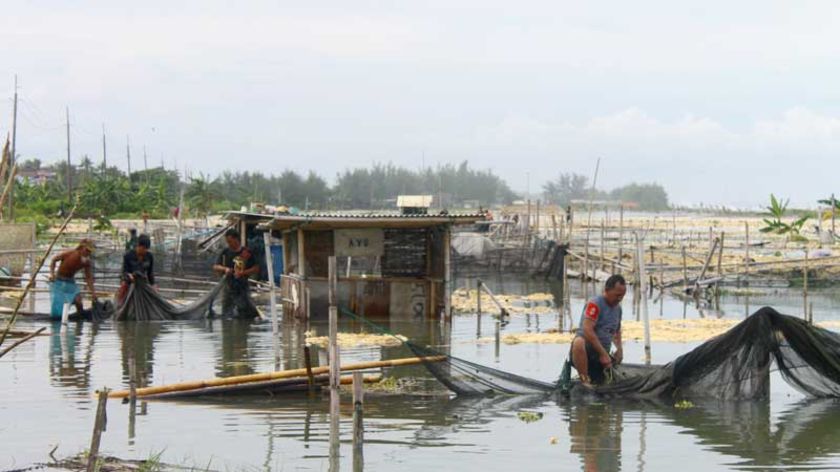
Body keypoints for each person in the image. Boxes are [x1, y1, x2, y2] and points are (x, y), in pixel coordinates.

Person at [571, 275, 627, 386]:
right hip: (587, 352)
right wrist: (602, 354)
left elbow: (617, 331)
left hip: (602, 356)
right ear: (607, 290)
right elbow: (587, 329)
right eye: (617, 295)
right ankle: (584, 381)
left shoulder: (618, 309)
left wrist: (619, 349)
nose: (620, 298)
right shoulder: (595, 304)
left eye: (623, 296)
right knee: (578, 342)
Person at [212, 228, 259, 318]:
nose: (229, 244)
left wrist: (243, 273)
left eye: (230, 241)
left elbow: (256, 268)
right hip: (228, 286)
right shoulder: (225, 252)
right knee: (226, 313)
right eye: (227, 242)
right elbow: (216, 266)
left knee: (245, 312)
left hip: (242, 287)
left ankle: (242, 329)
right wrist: (225, 269)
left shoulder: (247, 252)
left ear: (236, 239)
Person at [48, 239, 97, 319]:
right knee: (58, 303)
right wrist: (52, 274)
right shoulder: (69, 253)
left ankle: (79, 323)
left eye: (90, 252)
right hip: (59, 280)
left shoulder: (86, 262)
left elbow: (88, 277)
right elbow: (54, 260)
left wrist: (93, 293)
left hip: (70, 281)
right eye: (87, 250)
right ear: (81, 248)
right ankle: (58, 318)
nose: (88, 253)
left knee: (79, 301)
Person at [117, 234, 155, 306]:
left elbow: (150, 273)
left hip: (143, 283)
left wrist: (153, 285)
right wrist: (129, 276)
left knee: (154, 294)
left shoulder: (149, 256)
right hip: (129, 282)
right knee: (123, 288)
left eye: (147, 249)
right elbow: (125, 272)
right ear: (139, 246)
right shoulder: (128, 256)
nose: (145, 251)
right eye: (144, 248)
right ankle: (120, 306)